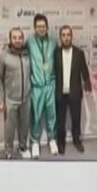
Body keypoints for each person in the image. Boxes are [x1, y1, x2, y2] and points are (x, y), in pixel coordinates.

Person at [0, 28, 34, 159]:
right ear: (10, 39)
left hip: (26, 99)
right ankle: (8, 150)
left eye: (20, 38)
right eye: (14, 37)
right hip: (10, 100)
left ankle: (23, 147)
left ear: (23, 39)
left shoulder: (27, 54)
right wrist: (0, 100)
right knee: (9, 128)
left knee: (24, 126)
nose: (17, 40)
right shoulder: (4, 55)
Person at [54, 25, 92, 154]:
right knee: (60, 120)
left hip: (75, 92)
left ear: (72, 36)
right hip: (60, 93)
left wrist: (87, 84)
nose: (66, 37)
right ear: (60, 37)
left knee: (76, 118)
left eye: (68, 35)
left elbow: (84, 70)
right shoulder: (56, 53)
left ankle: (77, 140)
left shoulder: (79, 53)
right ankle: (61, 142)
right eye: (63, 35)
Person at [27, 14, 58, 157]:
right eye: (38, 26)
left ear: (47, 27)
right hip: (37, 86)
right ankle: (35, 142)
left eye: (43, 26)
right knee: (36, 115)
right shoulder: (29, 42)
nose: (41, 29)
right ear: (34, 27)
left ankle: (52, 139)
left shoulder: (53, 42)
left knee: (52, 114)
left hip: (50, 85)